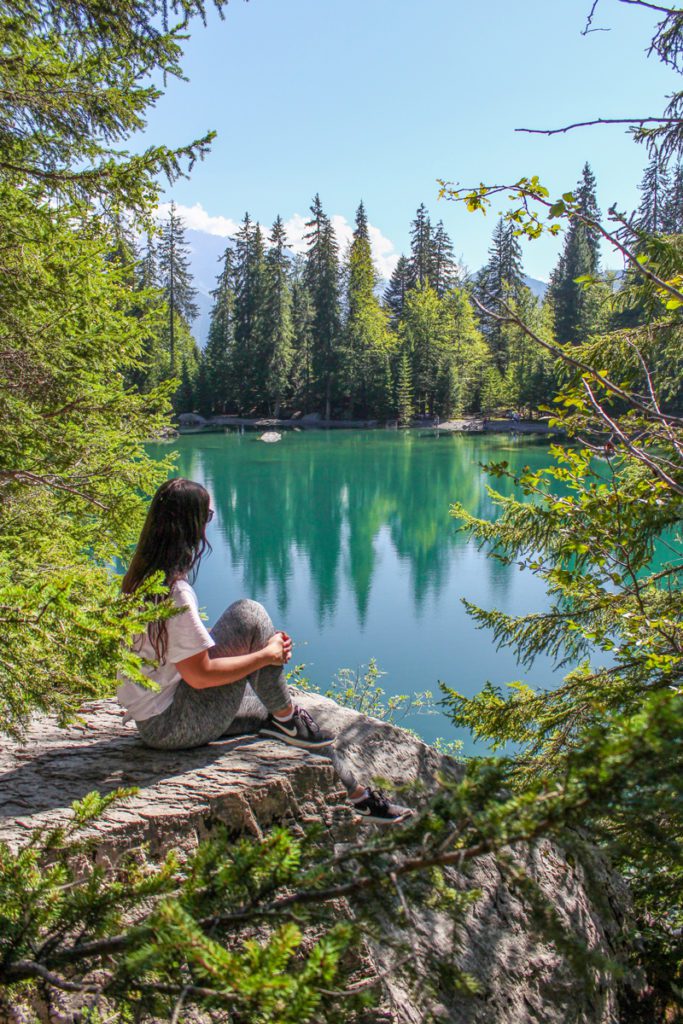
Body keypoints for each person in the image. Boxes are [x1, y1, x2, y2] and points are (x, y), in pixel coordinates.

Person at [117, 478, 411, 825]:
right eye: (208, 516)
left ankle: (357, 794)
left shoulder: (140, 580)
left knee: (278, 715)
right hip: (174, 724)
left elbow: (181, 662)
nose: (209, 524)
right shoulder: (175, 592)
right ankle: (291, 721)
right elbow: (199, 675)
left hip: (157, 722)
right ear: (190, 524)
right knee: (250, 615)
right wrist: (265, 656)